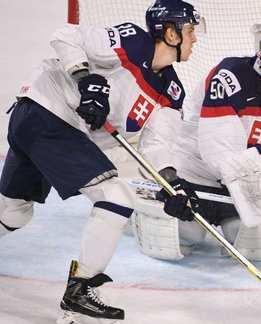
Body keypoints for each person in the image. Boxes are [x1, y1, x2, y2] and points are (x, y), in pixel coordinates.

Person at [0, 0, 205, 322]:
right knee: (117, 196)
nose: (195, 39)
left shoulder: (170, 91)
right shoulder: (132, 40)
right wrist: (84, 79)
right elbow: (65, 35)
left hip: (47, 127)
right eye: (191, 31)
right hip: (48, 114)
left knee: (14, 213)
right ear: (169, 33)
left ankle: (77, 294)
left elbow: (157, 143)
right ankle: (79, 290)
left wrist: (171, 183)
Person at [135, 31, 261, 261]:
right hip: (194, 176)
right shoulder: (231, 76)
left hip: (239, 185)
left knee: (254, 246)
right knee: (184, 236)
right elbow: (220, 149)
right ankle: (147, 200)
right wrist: (258, 199)